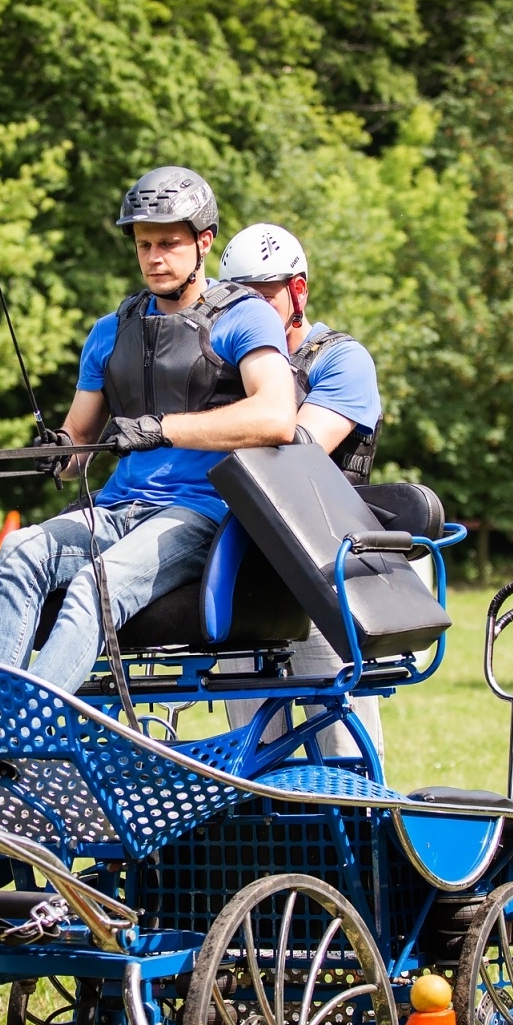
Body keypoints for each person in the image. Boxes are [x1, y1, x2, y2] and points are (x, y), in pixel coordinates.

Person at [0, 168, 296, 693]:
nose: (154, 257)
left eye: (168, 243)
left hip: (202, 512)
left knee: (94, 586)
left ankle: (28, 729)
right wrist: (60, 451)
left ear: (204, 241)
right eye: (144, 245)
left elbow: (277, 418)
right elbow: (79, 438)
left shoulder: (246, 318)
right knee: (19, 550)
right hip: (118, 506)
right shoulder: (109, 331)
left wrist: (163, 428)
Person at [216, 223, 387, 762]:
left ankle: (359, 837)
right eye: (237, 300)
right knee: (252, 753)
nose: (251, 313)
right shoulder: (225, 368)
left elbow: (293, 452)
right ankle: (266, 838)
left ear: (298, 291)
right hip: (246, 575)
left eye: (263, 296)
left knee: (342, 747)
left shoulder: (341, 361)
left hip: (323, 572)